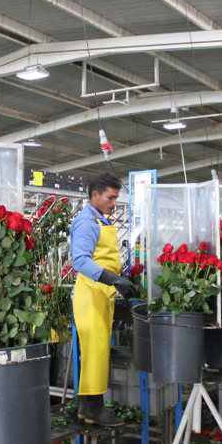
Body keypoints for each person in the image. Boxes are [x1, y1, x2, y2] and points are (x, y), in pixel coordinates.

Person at [70, 173, 138, 426]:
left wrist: (121, 278)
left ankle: (85, 409)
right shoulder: (87, 222)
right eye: (111, 197)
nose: (114, 203)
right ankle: (96, 409)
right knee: (95, 352)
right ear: (95, 195)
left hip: (101, 293)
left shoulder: (101, 220)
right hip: (90, 294)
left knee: (95, 352)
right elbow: (80, 261)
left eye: (116, 198)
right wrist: (113, 279)